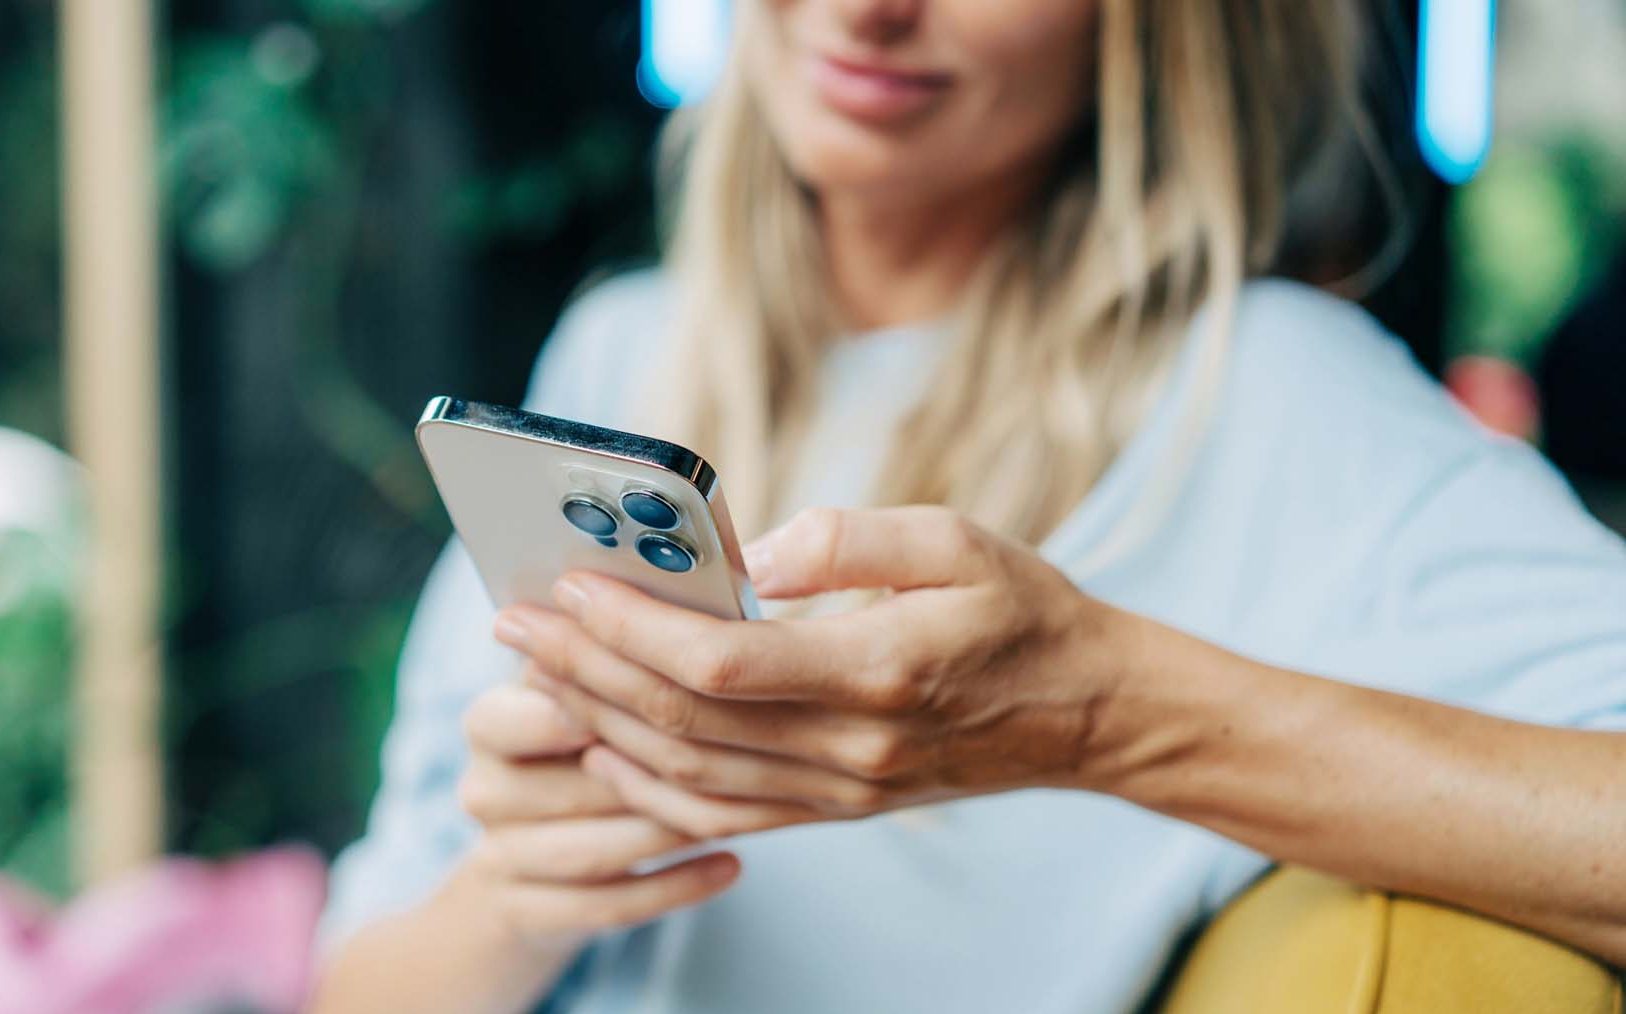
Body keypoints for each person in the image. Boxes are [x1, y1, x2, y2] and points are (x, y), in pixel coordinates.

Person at [311, 1, 1626, 1011]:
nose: (869, 7)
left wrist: (1106, 716)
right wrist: (518, 897)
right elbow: (358, 979)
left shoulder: (1261, 394)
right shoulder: (623, 346)